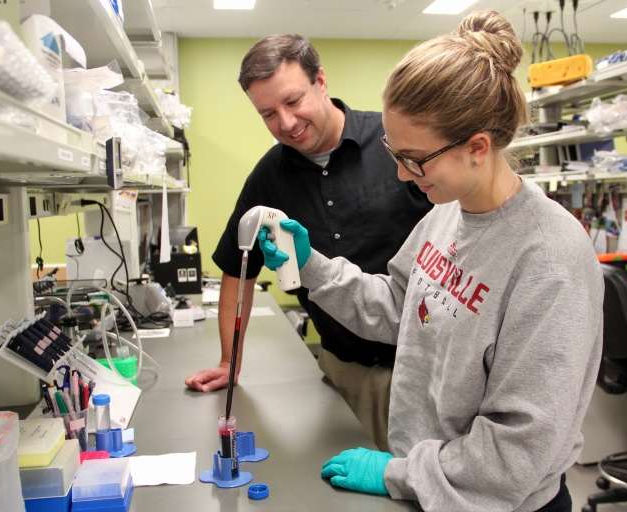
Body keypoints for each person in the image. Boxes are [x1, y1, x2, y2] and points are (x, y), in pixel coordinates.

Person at [255, 10, 603, 512]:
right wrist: (311, 266)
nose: (400, 175)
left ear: (478, 147)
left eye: (414, 159)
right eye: (395, 152)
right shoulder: (446, 217)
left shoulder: (551, 257)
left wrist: (400, 474)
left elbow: (517, 450)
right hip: (431, 488)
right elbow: (399, 308)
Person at [184, 34, 432, 452]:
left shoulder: (396, 145)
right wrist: (230, 360)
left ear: (321, 82)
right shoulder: (268, 178)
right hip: (345, 372)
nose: (285, 122)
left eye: (293, 101)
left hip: (428, 368)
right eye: (268, 114)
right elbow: (236, 266)